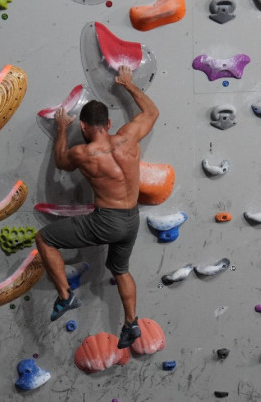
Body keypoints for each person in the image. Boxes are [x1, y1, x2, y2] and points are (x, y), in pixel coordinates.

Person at [35, 65, 159, 349]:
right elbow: (152, 113)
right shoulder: (128, 137)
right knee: (120, 270)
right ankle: (131, 324)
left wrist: (62, 130)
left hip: (107, 220)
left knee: (45, 238)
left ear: (83, 126)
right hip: (131, 219)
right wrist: (127, 84)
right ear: (109, 124)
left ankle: (66, 296)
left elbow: (60, 164)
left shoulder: (83, 153)